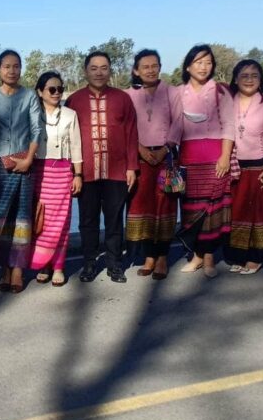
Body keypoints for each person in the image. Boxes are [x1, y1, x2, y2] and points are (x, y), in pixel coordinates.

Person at [66, 50, 138, 283]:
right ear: (86, 71)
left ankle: (114, 264)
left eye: (104, 68)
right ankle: (89, 263)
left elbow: (131, 134)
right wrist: (72, 172)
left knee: (114, 220)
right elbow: (67, 139)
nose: (99, 73)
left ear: (110, 71)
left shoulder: (122, 99)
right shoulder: (74, 101)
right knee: (87, 221)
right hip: (86, 172)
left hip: (116, 171)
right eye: (94, 68)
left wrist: (131, 167)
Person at [0, 50, 42, 293]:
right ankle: (3, 268)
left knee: (21, 217)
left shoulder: (29, 96)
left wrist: (28, 159)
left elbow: (37, 130)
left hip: (24, 163)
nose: (12, 71)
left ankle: (17, 270)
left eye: (16, 66)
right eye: (7, 66)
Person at [176, 44, 235, 278]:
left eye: (208, 62)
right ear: (188, 66)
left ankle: (208, 257)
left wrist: (225, 156)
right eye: (198, 62)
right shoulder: (178, 93)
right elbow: (173, 125)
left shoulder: (221, 91)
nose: (203, 67)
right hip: (188, 159)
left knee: (212, 210)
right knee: (191, 210)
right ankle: (196, 255)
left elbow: (229, 124)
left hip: (215, 159)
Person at [125, 50, 183, 280]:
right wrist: (139, 149)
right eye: (145, 66)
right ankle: (148, 256)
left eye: (154, 66)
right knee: (143, 208)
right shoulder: (129, 95)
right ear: (136, 70)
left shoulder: (172, 92)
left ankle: (162, 258)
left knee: (164, 207)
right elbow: (126, 126)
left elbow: (179, 122)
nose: (150, 70)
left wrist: (165, 149)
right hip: (139, 158)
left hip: (165, 158)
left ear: (160, 67)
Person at [224, 60, 263, 274]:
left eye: (254, 75)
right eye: (244, 75)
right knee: (238, 212)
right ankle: (238, 255)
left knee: (259, 213)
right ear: (235, 79)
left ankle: (256, 257)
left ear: (261, 79)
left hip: (260, 166)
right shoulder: (227, 102)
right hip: (235, 167)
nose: (249, 80)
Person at [30, 72, 82, 287]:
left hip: (62, 173)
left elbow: (76, 146)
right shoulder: (32, 114)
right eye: (51, 89)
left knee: (61, 223)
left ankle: (59, 266)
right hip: (39, 173)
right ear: (40, 92)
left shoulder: (70, 114)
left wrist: (78, 174)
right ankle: (43, 264)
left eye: (60, 89)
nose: (56, 93)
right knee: (41, 221)